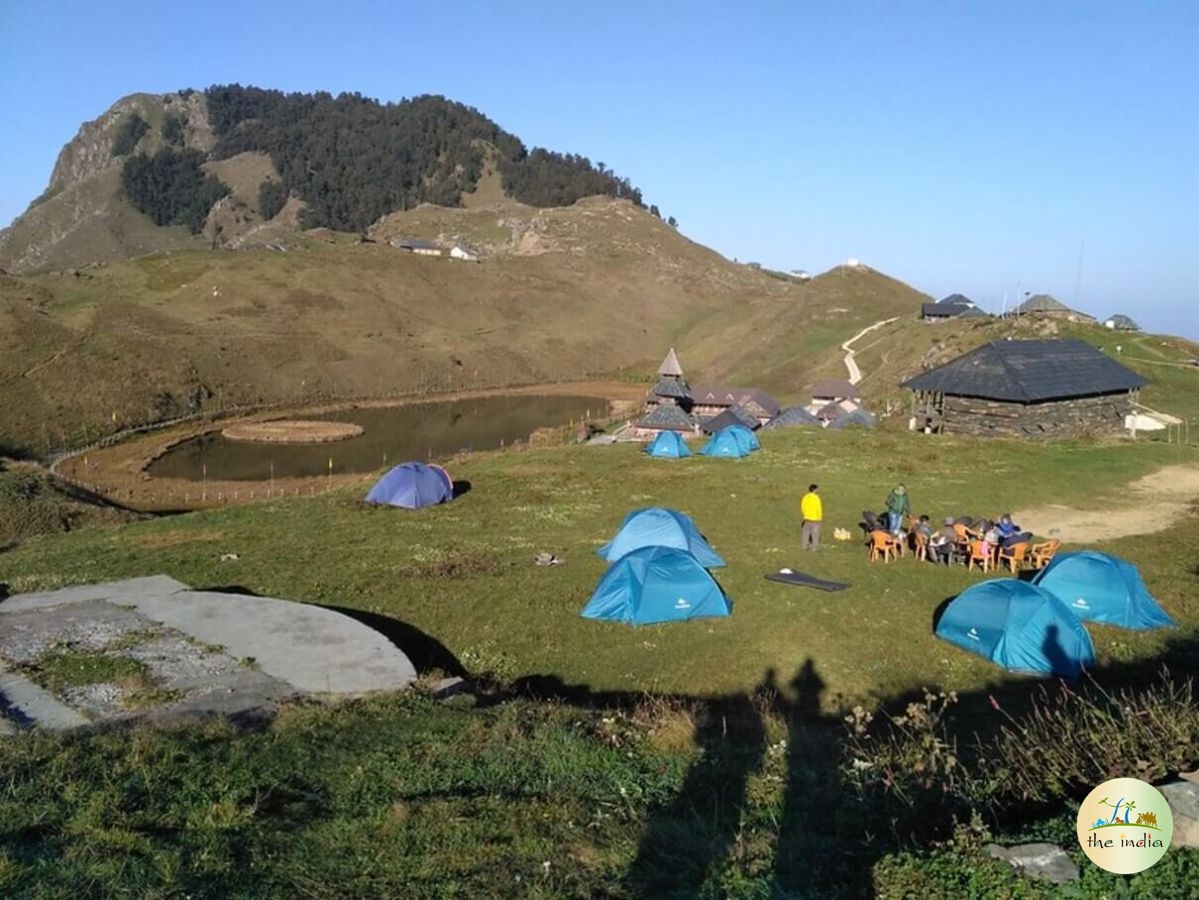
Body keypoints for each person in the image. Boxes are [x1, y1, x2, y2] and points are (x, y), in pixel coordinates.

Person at [800, 484, 823, 551]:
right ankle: (814, 548)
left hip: (806, 518)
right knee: (815, 534)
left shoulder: (805, 497)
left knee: (806, 534)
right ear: (814, 489)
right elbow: (819, 508)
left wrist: (805, 515)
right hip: (815, 519)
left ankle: (805, 546)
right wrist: (819, 518)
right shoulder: (816, 498)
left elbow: (802, 507)